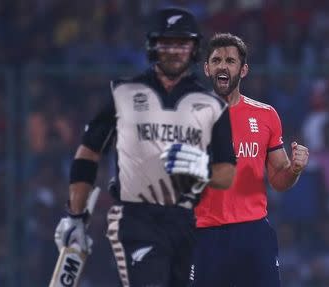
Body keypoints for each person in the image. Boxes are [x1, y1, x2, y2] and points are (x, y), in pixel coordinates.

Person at [54, 8, 236, 287]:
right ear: (153, 45)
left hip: (189, 222)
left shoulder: (213, 105)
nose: (174, 51)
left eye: (181, 43)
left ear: (194, 48)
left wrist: (203, 170)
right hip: (139, 218)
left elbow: (227, 174)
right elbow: (88, 152)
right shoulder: (123, 94)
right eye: (167, 43)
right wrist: (75, 217)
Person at [190, 33, 309, 287]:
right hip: (205, 233)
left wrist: (295, 169)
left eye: (230, 60)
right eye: (217, 60)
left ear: (243, 70)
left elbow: (278, 178)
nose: (223, 65)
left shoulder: (266, 115)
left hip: (253, 232)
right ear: (207, 68)